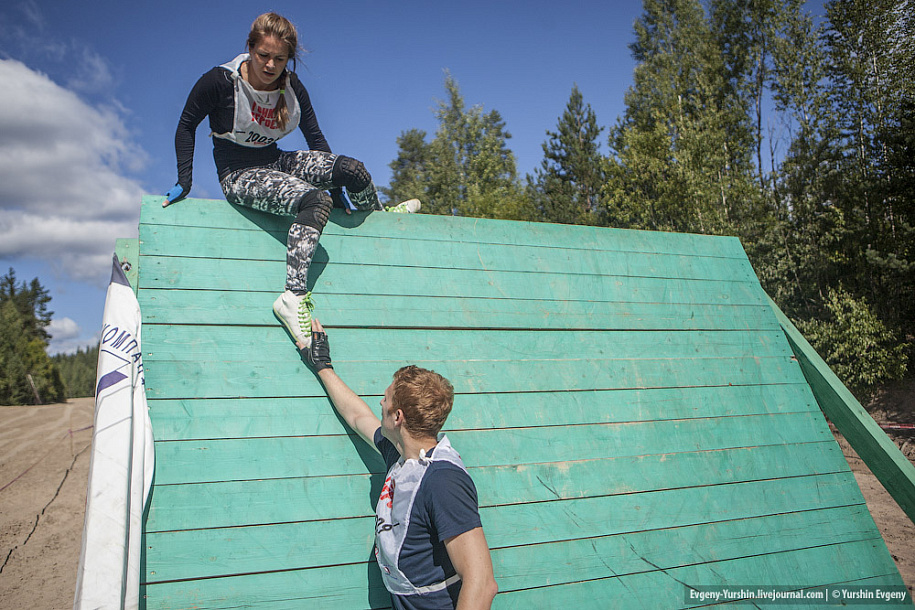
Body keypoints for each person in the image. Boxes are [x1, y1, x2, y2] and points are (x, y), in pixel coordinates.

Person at [164, 12, 419, 349]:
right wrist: (185, 179)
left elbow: (315, 137)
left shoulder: (292, 86)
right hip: (239, 175)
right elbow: (186, 124)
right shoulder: (219, 82)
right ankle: (293, 296)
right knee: (316, 200)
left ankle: (379, 220)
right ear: (250, 48)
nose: (270, 65)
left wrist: (337, 182)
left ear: (289, 58)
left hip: (277, 159)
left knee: (353, 170)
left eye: (279, 58)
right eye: (263, 55)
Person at [303, 319, 498, 610]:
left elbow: (482, 583)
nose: (379, 403)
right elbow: (360, 418)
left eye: (385, 399)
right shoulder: (403, 456)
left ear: (398, 417)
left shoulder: (442, 480)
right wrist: (323, 366)